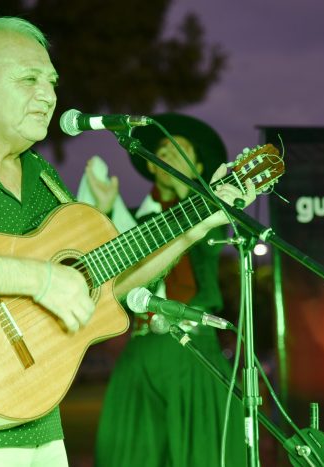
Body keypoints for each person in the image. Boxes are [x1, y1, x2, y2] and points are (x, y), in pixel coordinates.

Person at [0, 17, 254, 466]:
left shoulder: (44, 180)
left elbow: (110, 284)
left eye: (52, 82)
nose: (48, 95)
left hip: (42, 426)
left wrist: (196, 225)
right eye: (29, 79)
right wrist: (41, 280)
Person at [79, 113, 248, 466]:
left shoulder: (215, 218)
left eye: (181, 150)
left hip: (195, 350)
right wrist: (106, 210)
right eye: (163, 151)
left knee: (203, 454)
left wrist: (196, 191)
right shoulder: (136, 222)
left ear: (197, 165)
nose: (169, 154)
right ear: (152, 168)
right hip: (140, 351)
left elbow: (205, 250)